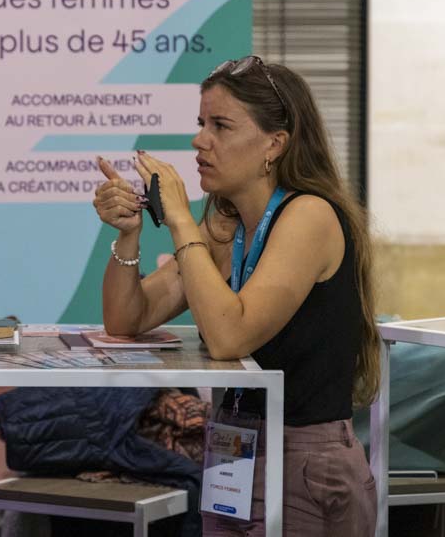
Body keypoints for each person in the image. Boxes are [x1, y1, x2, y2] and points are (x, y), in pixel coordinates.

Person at [92, 56, 379, 536]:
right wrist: (128, 234)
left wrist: (180, 219)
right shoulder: (224, 226)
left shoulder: (309, 216)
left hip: (303, 462)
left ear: (274, 144)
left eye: (220, 126)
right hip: (233, 450)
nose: (199, 140)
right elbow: (125, 319)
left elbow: (230, 337)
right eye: (201, 123)